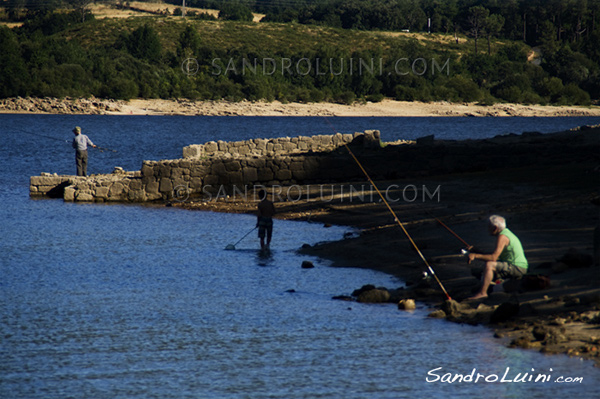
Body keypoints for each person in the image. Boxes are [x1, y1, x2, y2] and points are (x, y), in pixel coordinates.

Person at [467, 215, 528, 300]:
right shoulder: (507, 233)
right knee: (478, 271)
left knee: (489, 265)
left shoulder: (502, 237)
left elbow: (493, 258)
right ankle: (487, 286)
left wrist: (475, 256)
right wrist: (476, 251)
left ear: (495, 228)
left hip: (517, 268)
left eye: (489, 227)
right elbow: (495, 256)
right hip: (515, 266)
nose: (487, 229)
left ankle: (483, 293)